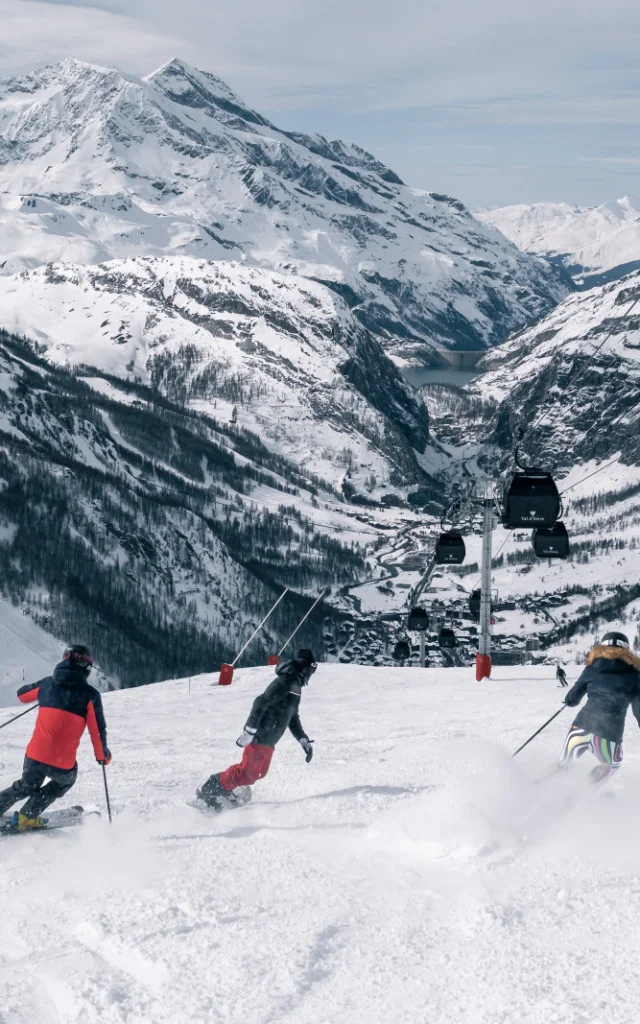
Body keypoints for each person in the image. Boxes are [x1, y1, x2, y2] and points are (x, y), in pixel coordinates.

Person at [0, 644, 111, 830]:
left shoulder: (47, 684)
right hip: (62, 764)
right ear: (86, 667)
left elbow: (21, 695)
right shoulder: (90, 696)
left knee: (26, 785)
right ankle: (27, 816)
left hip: (34, 756)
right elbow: (97, 733)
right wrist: (102, 756)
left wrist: (44, 694)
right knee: (64, 781)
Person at [197, 648, 316, 809]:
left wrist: (303, 740)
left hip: (270, 740)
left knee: (259, 773)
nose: (311, 674)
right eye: (312, 669)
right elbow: (260, 702)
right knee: (247, 773)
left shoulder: (295, 687)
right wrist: (249, 731)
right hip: (260, 734)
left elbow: (292, 717)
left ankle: (226, 788)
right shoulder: (285, 681)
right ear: (306, 668)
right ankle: (210, 789)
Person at [557, 632, 640, 785]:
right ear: (627, 650)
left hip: (580, 728)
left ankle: (536, 787)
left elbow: (573, 697)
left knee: (564, 765)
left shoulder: (592, 668)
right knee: (612, 764)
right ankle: (580, 794)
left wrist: (568, 701)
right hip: (608, 735)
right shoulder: (635, 675)